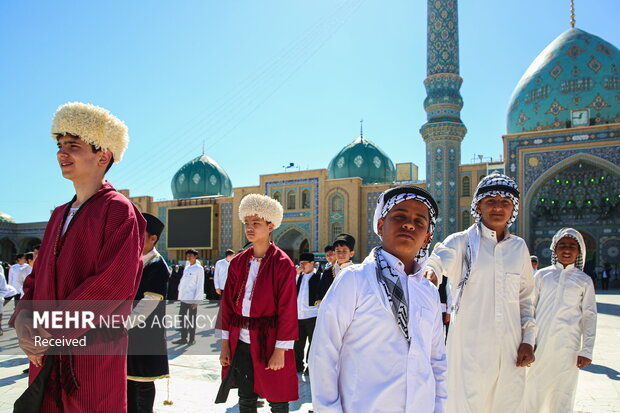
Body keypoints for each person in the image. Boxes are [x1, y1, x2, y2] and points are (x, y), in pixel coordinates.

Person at [9, 101, 146, 412]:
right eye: (59, 145)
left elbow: (112, 285)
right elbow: (35, 279)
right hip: (45, 353)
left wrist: (48, 330)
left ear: (103, 156)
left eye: (73, 145)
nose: (61, 153)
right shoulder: (58, 215)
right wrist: (24, 323)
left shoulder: (118, 211)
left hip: (90, 354)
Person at [310, 185, 447, 412]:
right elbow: (323, 353)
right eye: (400, 216)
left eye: (419, 221)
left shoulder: (428, 292)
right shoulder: (354, 280)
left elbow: (437, 361)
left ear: (427, 238)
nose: (409, 224)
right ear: (381, 225)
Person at [425, 173, 536, 413]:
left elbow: (525, 299)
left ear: (513, 209)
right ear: (478, 206)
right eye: (491, 201)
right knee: (468, 405)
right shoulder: (461, 242)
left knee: (510, 405)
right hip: (470, 349)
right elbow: (438, 260)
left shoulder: (519, 248)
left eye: (505, 202)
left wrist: (528, 340)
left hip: (511, 349)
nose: (498, 207)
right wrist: (431, 273)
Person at [216, 193, 298, 413]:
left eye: (256, 223)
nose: (250, 228)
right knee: (246, 396)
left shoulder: (282, 264)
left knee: (278, 398)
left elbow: (288, 309)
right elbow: (227, 306)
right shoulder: (238, 263)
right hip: (241, 340)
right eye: (246, 223)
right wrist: (225, 345)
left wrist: (280, 350)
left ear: (270, 226)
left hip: (270, 341)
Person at [525, 228, 597, 413]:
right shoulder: (542, 276)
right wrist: (527, 340)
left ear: (579, 251)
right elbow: (529, 308)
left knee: (563, 393)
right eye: (562, 245)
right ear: (554, 249)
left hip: (568, 347)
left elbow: (589, 316)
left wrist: (586, 349)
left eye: (572, 246)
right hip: (540, 344)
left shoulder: (584, 280)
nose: (567, 249)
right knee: (533, 390)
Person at [127, 213, 170, 413]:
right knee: (127, 381)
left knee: (142, 380)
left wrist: (122, 324)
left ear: (153, 238)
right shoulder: (130, 260)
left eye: (139, 234)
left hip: (144, 331)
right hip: (126, 331)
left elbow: (149, 302)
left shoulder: (158, 265)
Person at [294, 252, 320, 375]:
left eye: (304, 263)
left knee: (312, 344)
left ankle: (310, 367)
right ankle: (297, 365)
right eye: (301, 263)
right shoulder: (299, 277)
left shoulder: (318, 277)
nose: (302, 266)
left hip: (313, 316)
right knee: (298, 344)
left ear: (312, 263)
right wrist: (296, 274)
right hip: (299, 316)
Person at [174, 249, 204, 346]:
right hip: (184, 297)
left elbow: (200, 285)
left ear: (195, 256)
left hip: (192, 298)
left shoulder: (199, 268)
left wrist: (196, 301)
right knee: (181, 317)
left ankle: (192, 339)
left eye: (191, 255)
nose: (189, 257)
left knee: (191, 319)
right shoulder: (187, 268)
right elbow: (183, 282)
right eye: (187, 256)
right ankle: (183, 337)